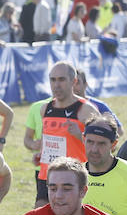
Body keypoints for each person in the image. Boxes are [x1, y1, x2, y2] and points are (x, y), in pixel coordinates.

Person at [22, 63, 99, 207]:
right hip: (47, 176)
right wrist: (41, 154)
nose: (56, 85)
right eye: (53, 80)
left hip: (73, 179)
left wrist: (80, 135)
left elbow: (103, 148)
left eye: (61, 80)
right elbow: (49, 139)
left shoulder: (86, 110)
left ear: (74, 81)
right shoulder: (45, 108)